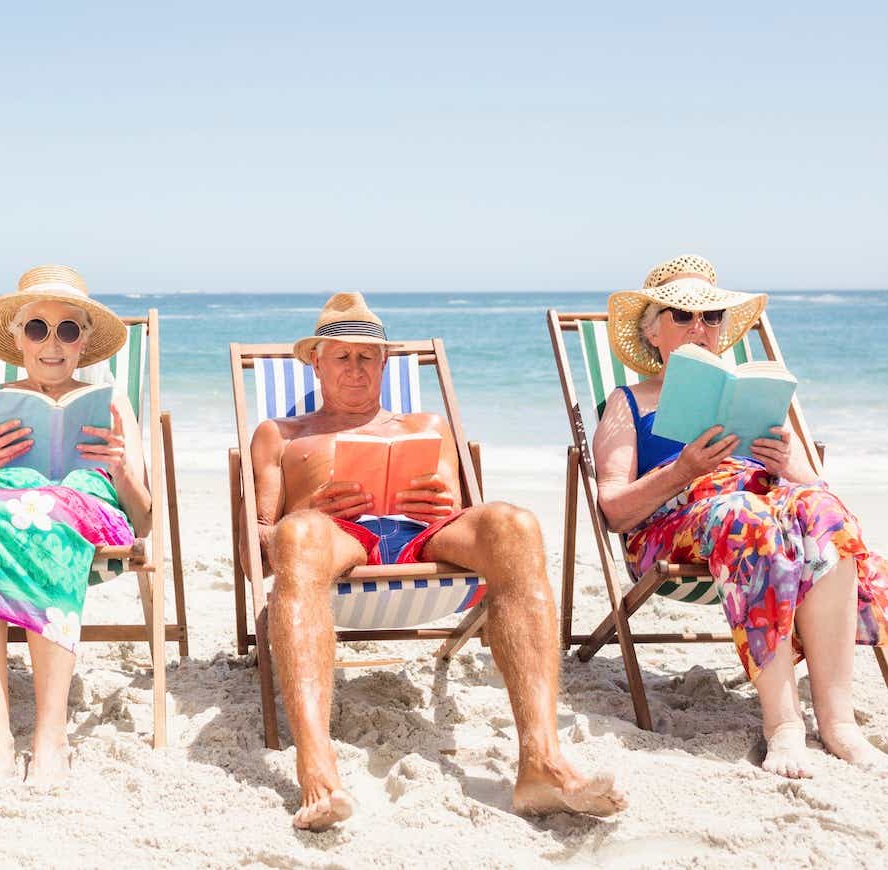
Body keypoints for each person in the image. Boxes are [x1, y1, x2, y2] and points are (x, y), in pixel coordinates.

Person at [252, 292, 626, 831]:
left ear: (384, 362)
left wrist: (444, 504)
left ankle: (541, 759)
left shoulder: (428, 426)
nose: (355, 368)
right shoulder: (282, 435)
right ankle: (317, 762)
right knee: (297, 533)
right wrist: (307, 509)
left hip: (426, 538)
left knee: (515, 524)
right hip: (332, 544)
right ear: (317, 361)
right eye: (341, 356)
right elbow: (257, 549)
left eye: (367, 357)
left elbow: (462, 514)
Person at [593, 254, 888, 778]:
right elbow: (615, 509)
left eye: (711, 316)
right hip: (678, 524)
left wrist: (785, 463)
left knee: (825, 515)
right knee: (746, 519)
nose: (700, 327)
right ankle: (784, 726)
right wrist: (682, 470)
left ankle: (839, 723)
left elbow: (817, 491)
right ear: (652, 331)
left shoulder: (750, 397)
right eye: (683, 316)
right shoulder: (628, 402)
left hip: (763, 506)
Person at [0, 265, 148, 785]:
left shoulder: (111, 402)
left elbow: (145, 517)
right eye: (37, 328)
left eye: (68, 329)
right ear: (16, 339)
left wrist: (125, 473)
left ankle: (49, 734)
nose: (52, 343)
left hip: (79, 523)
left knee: (50, 515)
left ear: (84, 341)